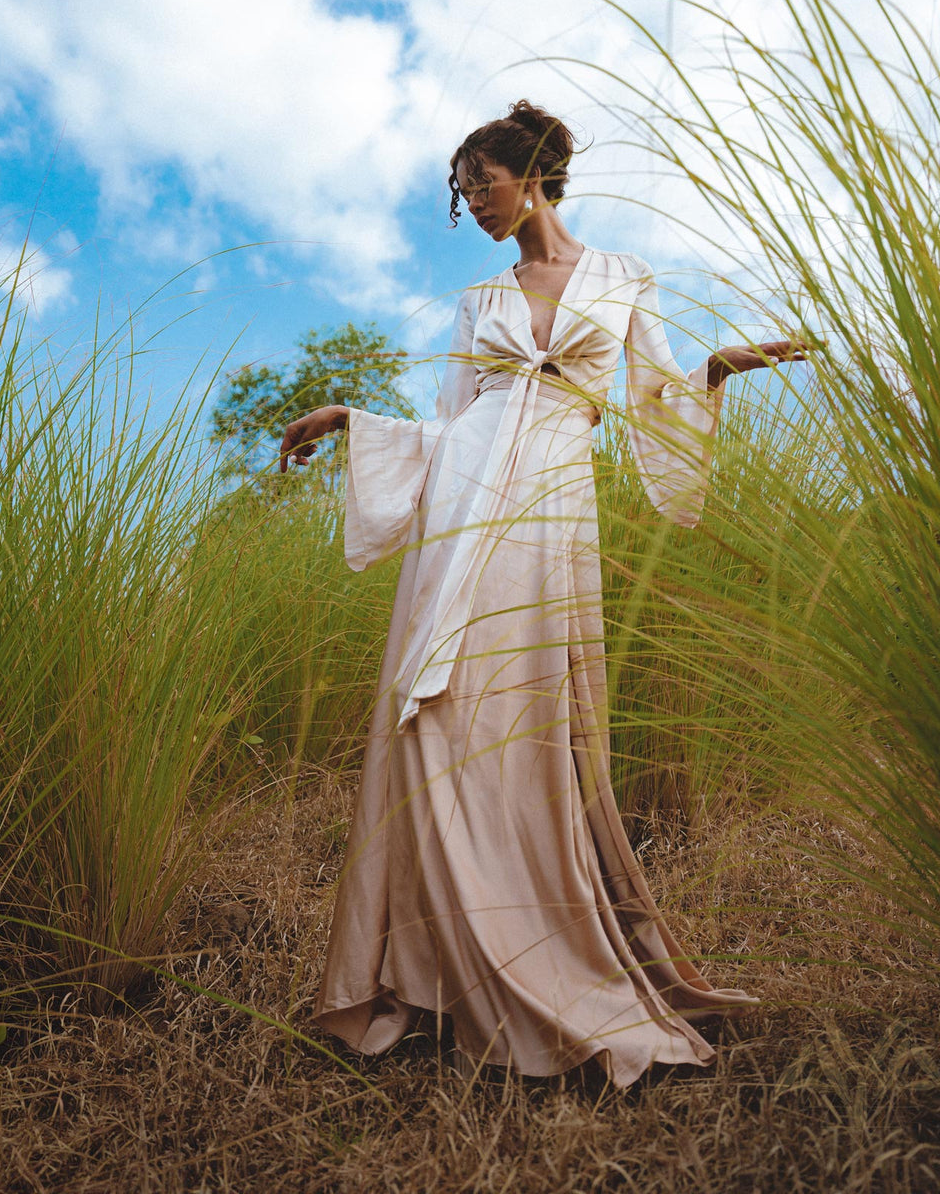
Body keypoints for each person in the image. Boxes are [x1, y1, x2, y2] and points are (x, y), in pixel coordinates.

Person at [280, 100, 810, 1088]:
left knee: (527, 720)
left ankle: (537, 945)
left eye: (477, 180)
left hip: (554, 510)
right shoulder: (480, 300)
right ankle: (437, 960)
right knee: (436, 712)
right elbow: (450, 424)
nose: (467, 201)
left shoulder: (620, 280)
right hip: (464, 511)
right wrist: (354, 417)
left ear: (530, 173)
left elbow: (649, 397)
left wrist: (720, 366)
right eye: (459, 188)